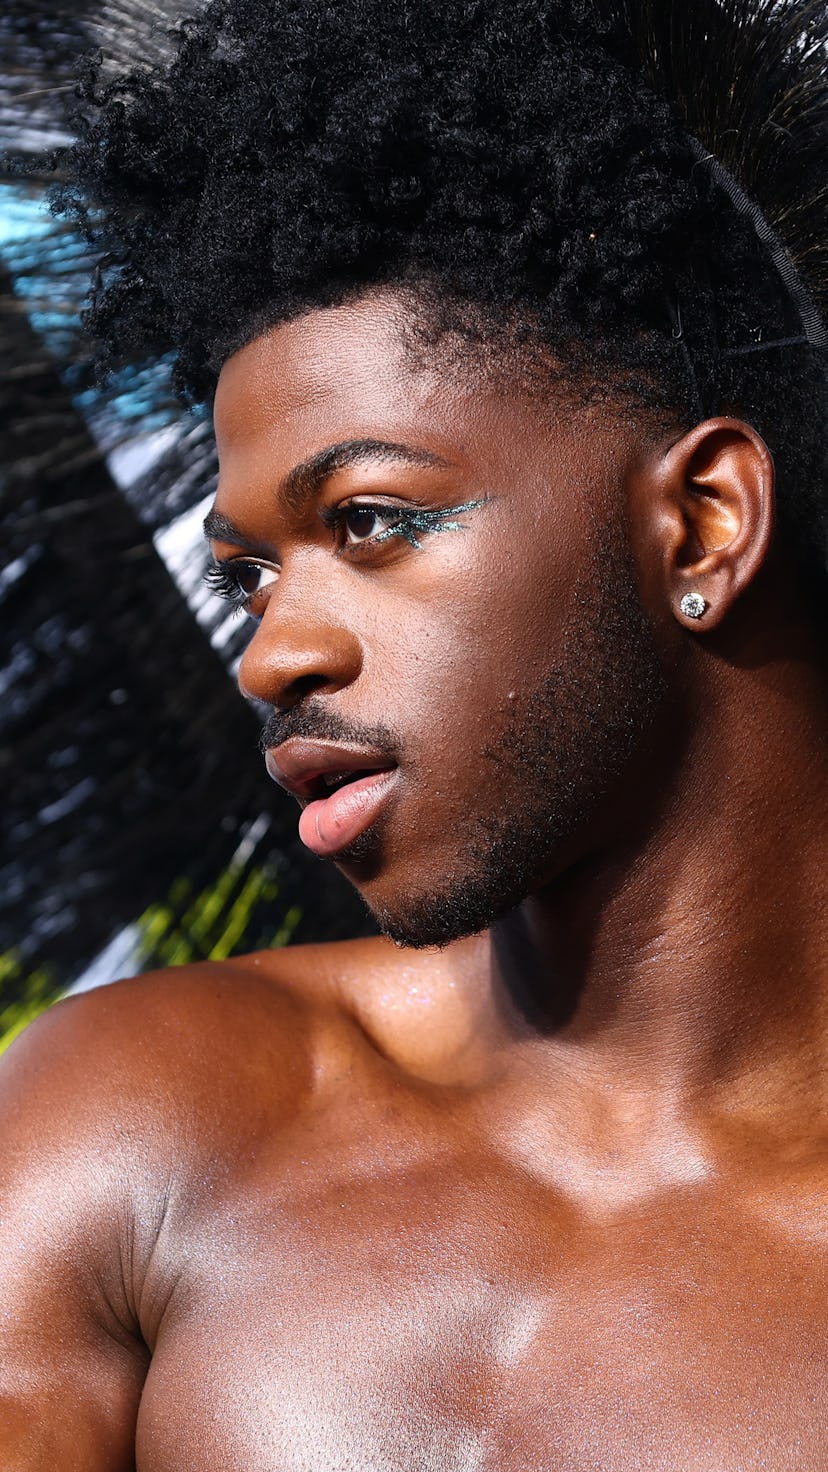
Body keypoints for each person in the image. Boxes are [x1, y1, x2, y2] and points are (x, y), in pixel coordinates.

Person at [2, 0, 826, 1464]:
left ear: (700, 524)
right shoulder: (140, 1120)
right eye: (248, 573)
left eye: (368, 520)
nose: (273, 651)